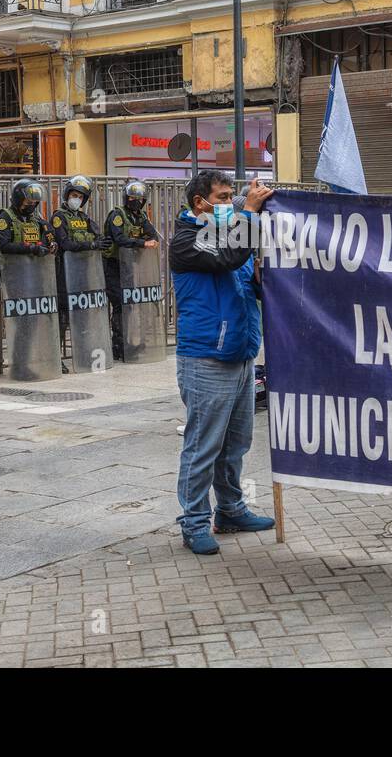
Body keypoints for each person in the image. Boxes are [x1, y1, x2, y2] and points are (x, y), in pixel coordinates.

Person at [170, 170, 275, 556]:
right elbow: (231, 256)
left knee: (236, 444)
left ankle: (230, 510)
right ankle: (194, 522)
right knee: (204, 445)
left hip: (241, 354)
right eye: (225, 196)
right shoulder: (186, 240)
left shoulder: (230, 233)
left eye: (234, 196)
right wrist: (249, 210)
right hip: (206, 358)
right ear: (201, 202)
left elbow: (245, 277)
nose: (231, 202)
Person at [50, 175, 110, 358]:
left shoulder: (84, 218)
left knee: (84, 315)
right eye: (74, 195)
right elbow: (66, 244)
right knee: (62, 317)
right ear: (67, 194)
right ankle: (56, 357)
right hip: (63, 273)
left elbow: (98, 236)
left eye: (81, 197)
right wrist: (91, 245)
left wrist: (99, 242)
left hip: (84, 274)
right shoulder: (58, 217)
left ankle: (85, 354)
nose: (77, 199)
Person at [103, 180, 160, 360]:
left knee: (128, 305)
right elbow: (120, 239)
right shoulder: (117, 215)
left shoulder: (141, 217)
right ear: (126, 198)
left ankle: (127, 344)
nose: (136, 201)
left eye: (140, 198)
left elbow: (152, 235)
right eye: (133, 198)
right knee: (119, 303)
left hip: (127, 266)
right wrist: (141, 242)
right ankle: (117, 345)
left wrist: (143, 240)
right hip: (111, 264)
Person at [0, 179, 54, 264]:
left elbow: (49, 233)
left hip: (35, 268)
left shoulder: (36, 219)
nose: (32, 206)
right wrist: (30, 248)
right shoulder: (5, 219)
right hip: (12, 268)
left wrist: (52, 243)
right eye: (29, 202)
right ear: (18, 200)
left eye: (34, 203)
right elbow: (4, 246)